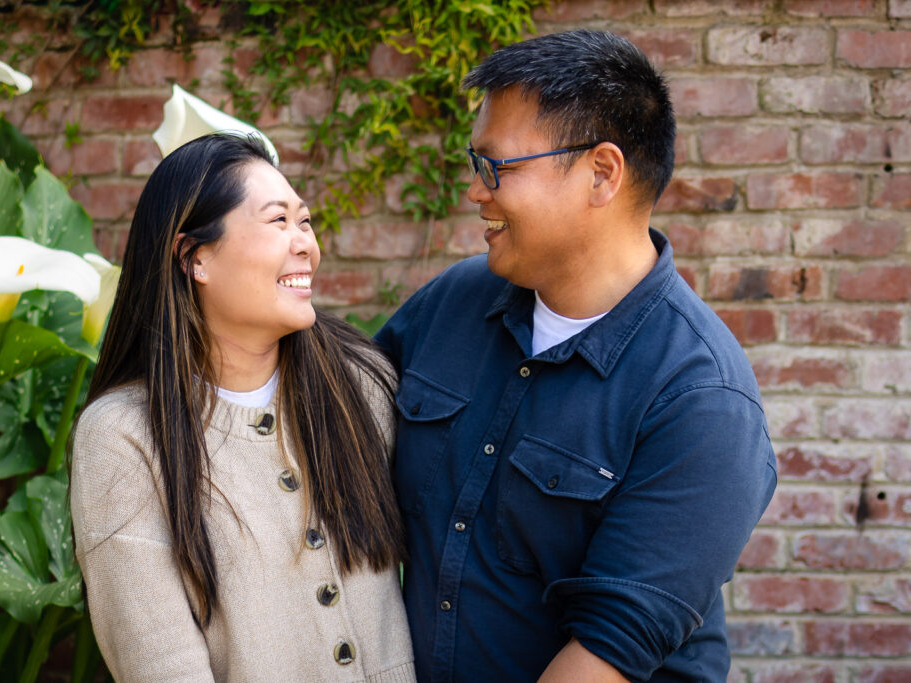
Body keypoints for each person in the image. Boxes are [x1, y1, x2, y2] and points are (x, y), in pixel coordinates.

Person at [374, 29, 777, 682]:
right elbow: (335, 432)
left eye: (495, 166)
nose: (476, 191)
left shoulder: (701, 400)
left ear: (601, 173)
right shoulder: (454, 303)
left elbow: (605, 657)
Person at [70, 134, 415, 682]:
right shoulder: (124, 438)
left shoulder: (361, 386)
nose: (305, 243)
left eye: (305, 222)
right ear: (195, 257)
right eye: (278, 221)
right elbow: (160, 664)